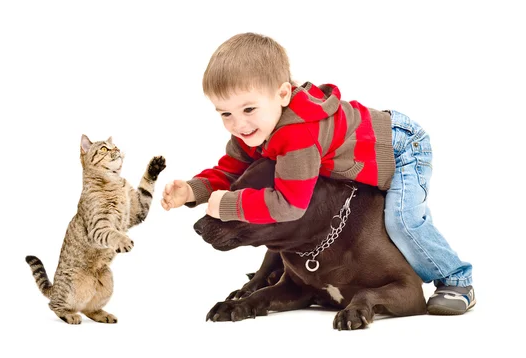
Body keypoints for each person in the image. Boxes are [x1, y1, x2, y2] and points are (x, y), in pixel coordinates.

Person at [161, 32, 474, 315]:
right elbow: (230, 169)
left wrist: (227, 205)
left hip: (400, 147)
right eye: (225, 113)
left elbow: (288, 204)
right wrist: (193, 190)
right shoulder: (255, 130)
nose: (238, 124)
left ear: (283, 95)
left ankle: (458, 279)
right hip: (356, 159)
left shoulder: (298, 135)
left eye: (248, 109)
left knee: (402, 220)